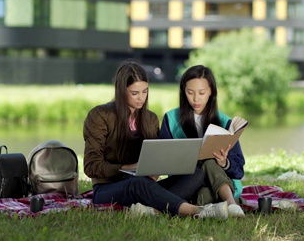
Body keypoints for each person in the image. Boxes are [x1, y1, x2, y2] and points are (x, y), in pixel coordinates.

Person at [83, 61, 230, 219]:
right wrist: (129, 167)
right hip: (108, 188)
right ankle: (197, 211)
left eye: (145, 91)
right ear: (121, 91)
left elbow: (156, 154)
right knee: (137, 183)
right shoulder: (99, 115)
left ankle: (153, 210)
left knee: (196, 174)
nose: (141, 98)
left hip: (146, 185)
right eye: (134, 93)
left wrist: (157, 167)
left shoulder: (150, 118)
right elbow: (91, 166)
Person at [159, 65, 246, 217]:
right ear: (183, 91)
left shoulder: (224, 122)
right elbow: (163, 161)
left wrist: (225, 163)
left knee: (210, 163)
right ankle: (229, 205)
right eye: (190, 92)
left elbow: (239, 170)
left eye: (202, 93)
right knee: (204, 189)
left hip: (221, 181)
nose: (196, 99)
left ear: (211, 91)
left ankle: (230, 203)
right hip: (189, 183)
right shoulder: (171, 119)